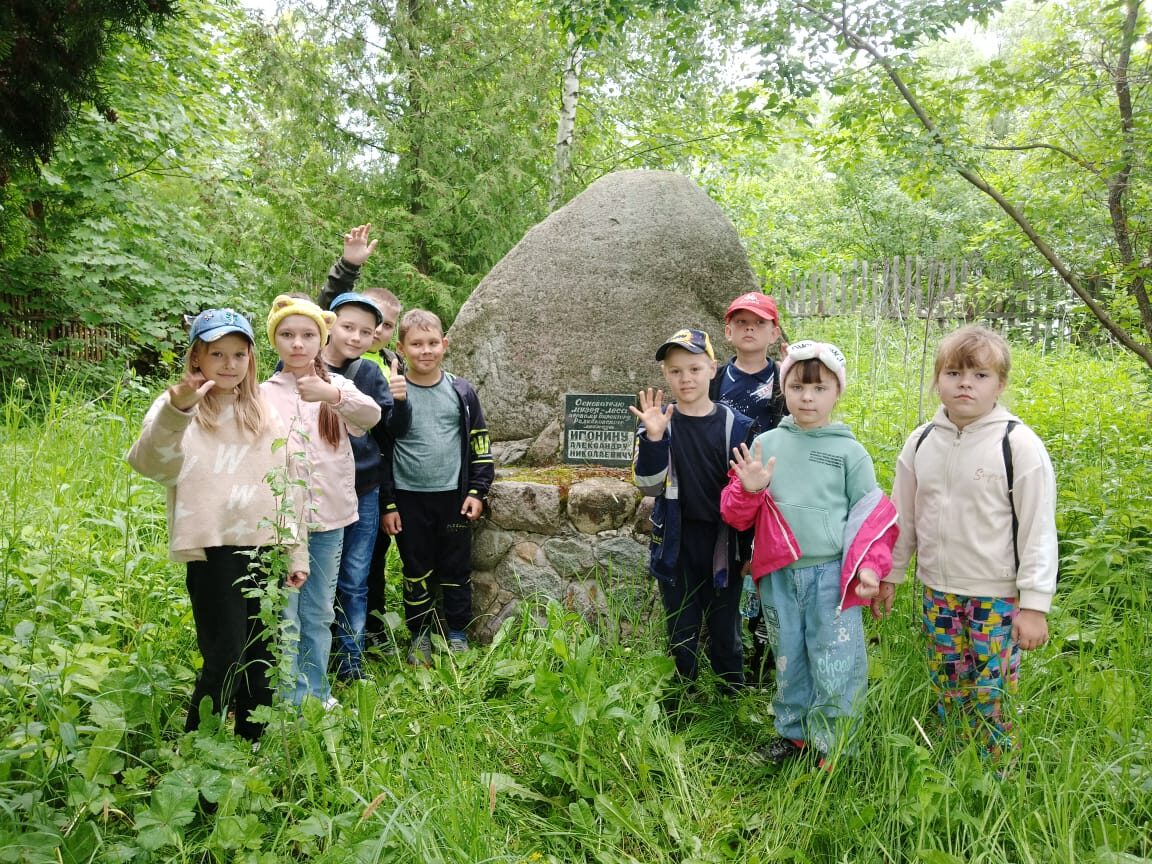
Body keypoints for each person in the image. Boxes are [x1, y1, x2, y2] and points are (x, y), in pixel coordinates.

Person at [875, 325, 1057, 757]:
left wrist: (1034, 605)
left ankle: (993, 772)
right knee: (947, 681)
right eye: (954, 373)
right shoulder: (921, 442)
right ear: (938, 379)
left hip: (995, 596)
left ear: (1000, 384)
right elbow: (903, 518)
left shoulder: (1018, 446)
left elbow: (1038, 530)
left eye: (980, 376)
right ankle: (952, 759)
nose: (965, 385)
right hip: (938, 591)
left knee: (991, 688)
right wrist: (892, 575)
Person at [127, 309, 308, 741]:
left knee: (262, 654)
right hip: (212, 547)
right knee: (224, 653)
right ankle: (200, 743)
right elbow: (150, 463)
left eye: (238, 354)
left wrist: (296, 549)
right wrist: (178, 409)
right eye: (217, 354)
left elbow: (291, 481)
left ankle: (252, 742)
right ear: (197, 360)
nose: (229, 364)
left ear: (251, 359)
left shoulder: (266, 410)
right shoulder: (177, 407)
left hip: (264, 545)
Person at [721, 340, 897, 768]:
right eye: (798, 386)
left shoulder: (849, 453)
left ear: (838, 392)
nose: (808, 397)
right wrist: (751, 488)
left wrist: (871, 570)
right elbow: (736, 514)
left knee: (837, 660)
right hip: (778, 575)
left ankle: (834, 746)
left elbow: (871, 518)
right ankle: (794, 735)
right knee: (788, 656)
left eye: (820, 388)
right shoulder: (765, 444)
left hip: (831, 577)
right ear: (785, 389)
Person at [261, 295, 381, 708]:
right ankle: (288, 694)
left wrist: (330, 394)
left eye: (308, 335)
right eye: (287, 335)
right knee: (285, 613)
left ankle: (317, 691)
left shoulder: (338, 385)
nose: (298, 344)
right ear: (274, 340)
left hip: (330, 519)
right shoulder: (263, 393)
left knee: (320, 612)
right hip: (282, 524)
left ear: (321, 338)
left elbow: (372, 416)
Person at [632, 328, 755, 695]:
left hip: (723, 544)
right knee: (680, 627)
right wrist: (654, 439)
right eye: (675, 371)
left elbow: (751, 495)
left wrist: (749, 550)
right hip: (676, 542)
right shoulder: (657, 423)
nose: (686, 378)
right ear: (665, 375)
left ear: (712, 369)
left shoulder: (738, 426)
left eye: (695, 369)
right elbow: (648, 485)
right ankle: (682, 697)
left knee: (725, 628)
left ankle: (732, 697)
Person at [381, 309, 494, 665]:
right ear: (401, 348)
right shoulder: (394, 392)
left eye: (432, 343)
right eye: (416, 344)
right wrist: (388, 504)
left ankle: (457, 632)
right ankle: (419, 635)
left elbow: (479, 442)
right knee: (416, 570)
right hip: (409, 498)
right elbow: (382, 450)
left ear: (444, 345)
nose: (425, 351)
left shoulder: (461, 392)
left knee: (455, 568)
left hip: (454, 498)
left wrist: (477, 491)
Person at [316, 224, 408, 652]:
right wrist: (349, 265)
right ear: (330, 326)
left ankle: (351, 659)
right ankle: (314, 656)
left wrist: (400, 400)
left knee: (356, 576)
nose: (355, 336)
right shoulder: (308, 361)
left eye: (366, 331)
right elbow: (319, 310)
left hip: (365, 488)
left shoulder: (372, 372)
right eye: (345, 327)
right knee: (317, 577)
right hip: (315, 485)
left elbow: (391, 431)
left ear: (376, 335)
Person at [710, 291, 789, 683]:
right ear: (728, 330)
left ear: (774, 332)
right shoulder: (716, 380)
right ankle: (732, 657)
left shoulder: (784, 379)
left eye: (759, 323)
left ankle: (768, 658)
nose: (750, 329)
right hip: (731, 495)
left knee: (768, 572)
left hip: (775, 494)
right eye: (741, 322)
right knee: (736, 571)